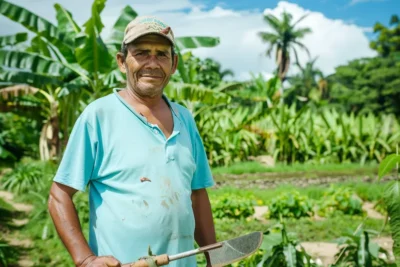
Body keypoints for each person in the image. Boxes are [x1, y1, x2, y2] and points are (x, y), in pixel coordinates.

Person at [48, 15, 216, 267]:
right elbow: (59, 195)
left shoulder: (184, 118)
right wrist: (84, 259)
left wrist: (215, 257)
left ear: (174, 63)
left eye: (162, 54)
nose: (152, 63)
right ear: (122, 62)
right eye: (141, 53)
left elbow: (197, 194)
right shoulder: (99, 116)